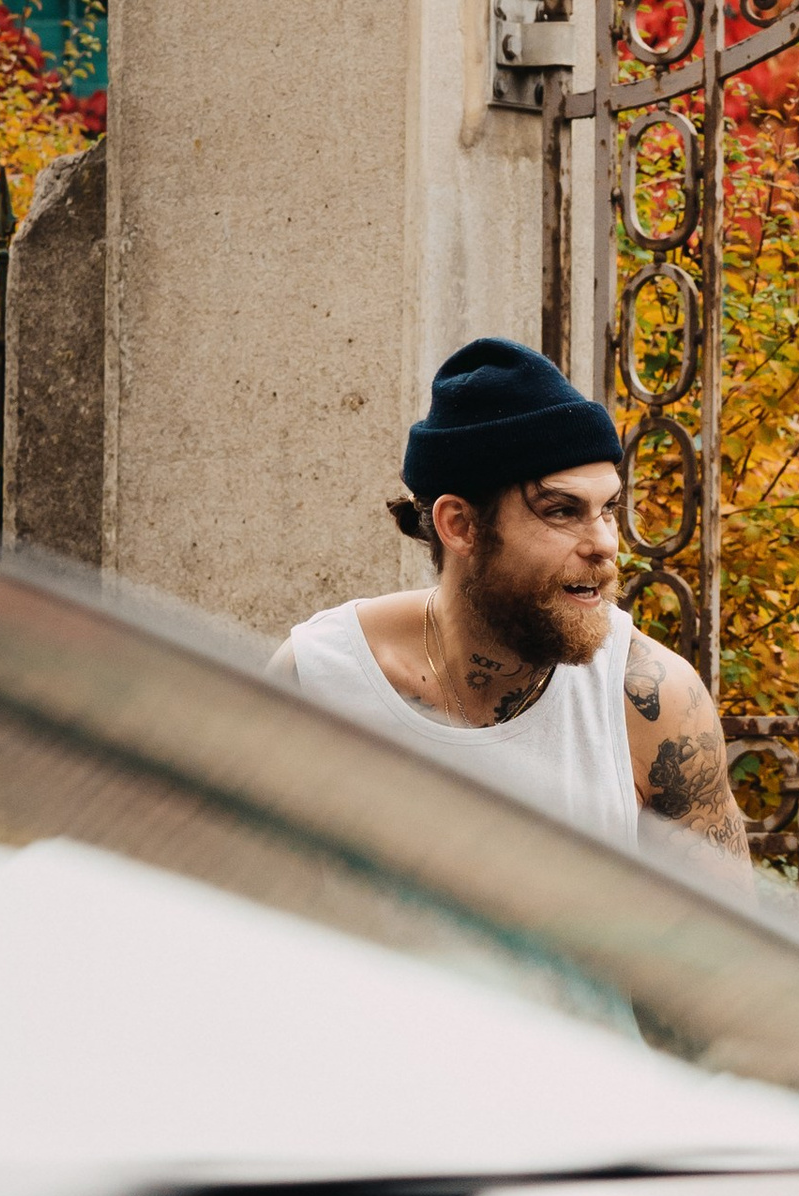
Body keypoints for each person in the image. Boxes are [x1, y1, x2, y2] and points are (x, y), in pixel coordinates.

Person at [271, 336, 749, 863]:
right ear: (460, 525)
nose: (606, 544)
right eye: (562, 511)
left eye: (608, 508)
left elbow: (719, 943)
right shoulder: (319, 677)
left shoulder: (652, 701)